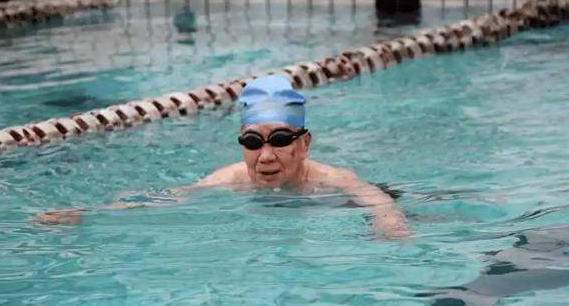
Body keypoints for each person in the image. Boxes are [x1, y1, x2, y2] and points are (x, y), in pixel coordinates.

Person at [36, 74, 408, 238]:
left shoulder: (331, 181)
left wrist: (389, 227)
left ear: (304, 145)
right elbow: (167, 199)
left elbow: (379, 203)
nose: (265, 156)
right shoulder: (229, 181)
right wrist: (89, 214)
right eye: (252, 142)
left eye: (279, 140)